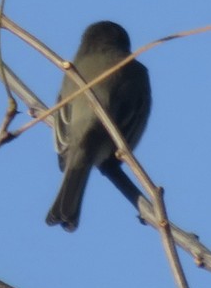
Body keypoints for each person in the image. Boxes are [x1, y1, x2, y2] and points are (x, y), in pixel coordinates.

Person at [45, 21, 151, 230]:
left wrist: (67, 146)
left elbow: (62, 107)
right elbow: (135, 117)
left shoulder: (74, 71)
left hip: (67, 138)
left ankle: (65, 208)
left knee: (78, 161)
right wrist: (115, 153)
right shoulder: (136, 73)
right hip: (111, 143)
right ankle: (67, 209)